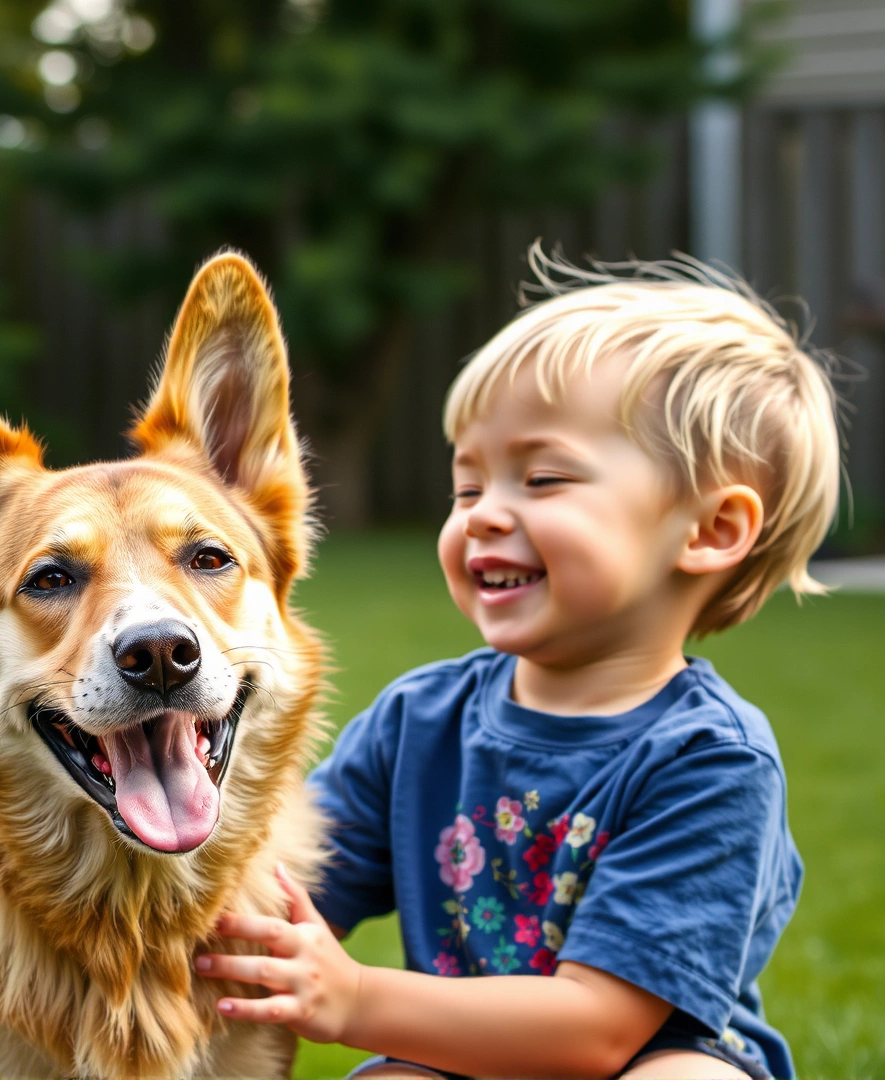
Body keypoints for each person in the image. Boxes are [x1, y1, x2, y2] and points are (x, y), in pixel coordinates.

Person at [196, 249, 839, 1080]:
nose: (485, 516)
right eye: (467, 488)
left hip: (648, 1059)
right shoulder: (418, 720)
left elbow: (600, 1027)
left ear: (710, 531)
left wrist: (354, 999)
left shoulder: (711, 761)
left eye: (542, 478)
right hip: (461, 1061)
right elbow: (280, 892)